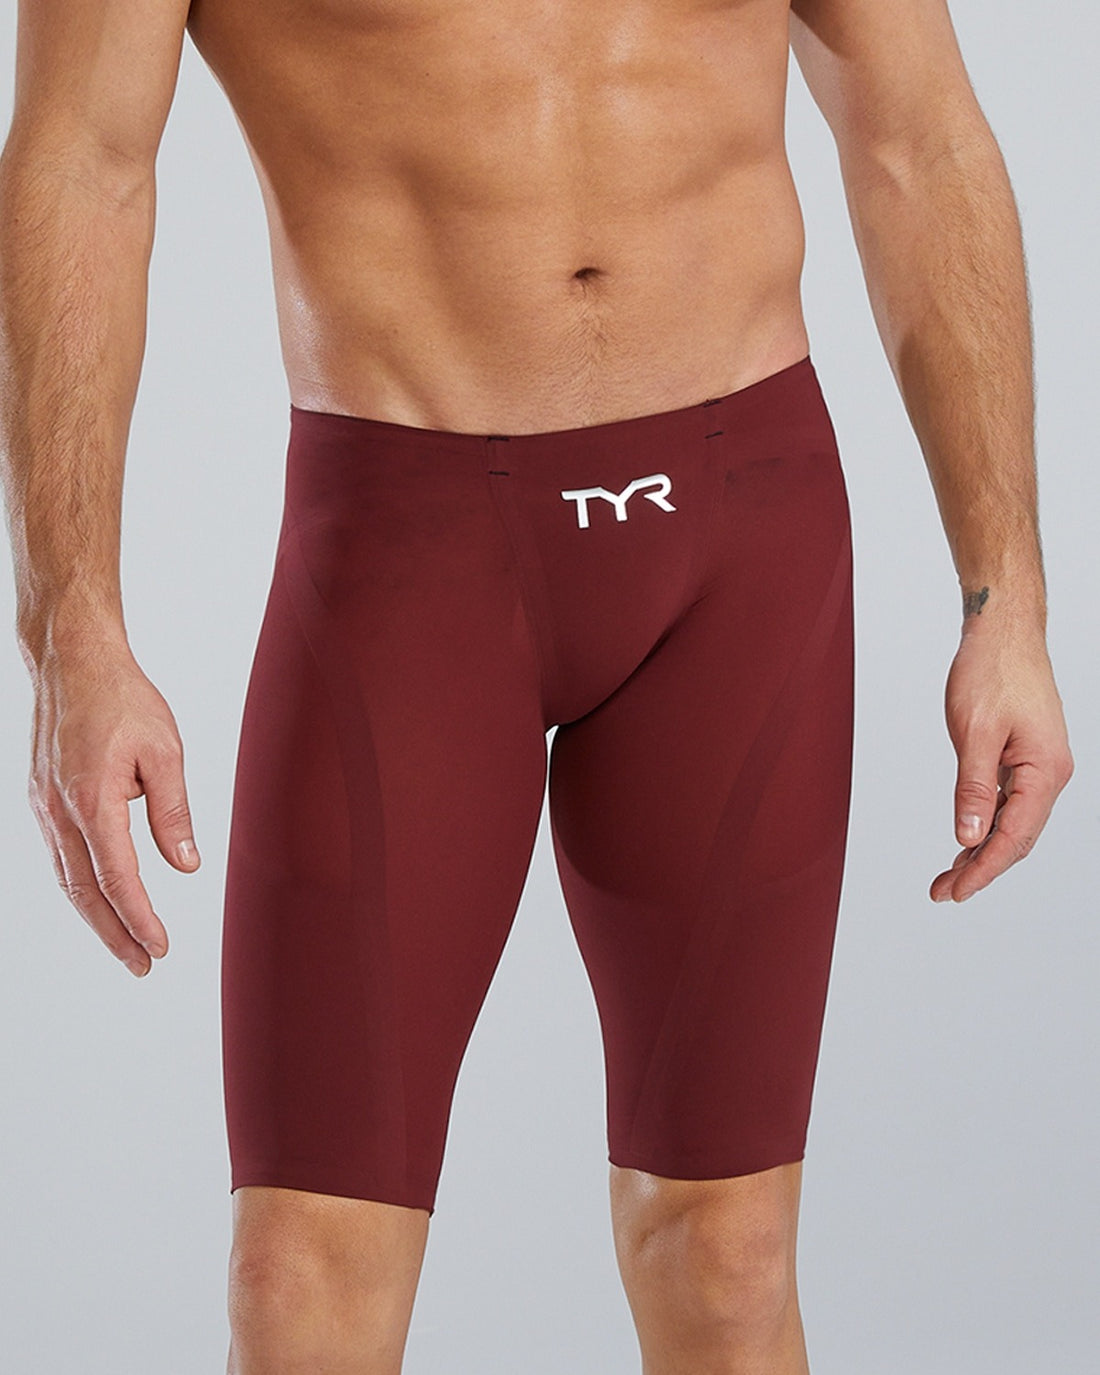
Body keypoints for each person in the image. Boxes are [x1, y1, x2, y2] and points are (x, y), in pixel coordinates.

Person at [0, 0, 1074, 1370]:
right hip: (408, 551)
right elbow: (80, 165)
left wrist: (1005, 596)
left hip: (745, 539)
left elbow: (920, 137)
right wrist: (70, 626)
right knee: (299, 1275)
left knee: (731, 1260)